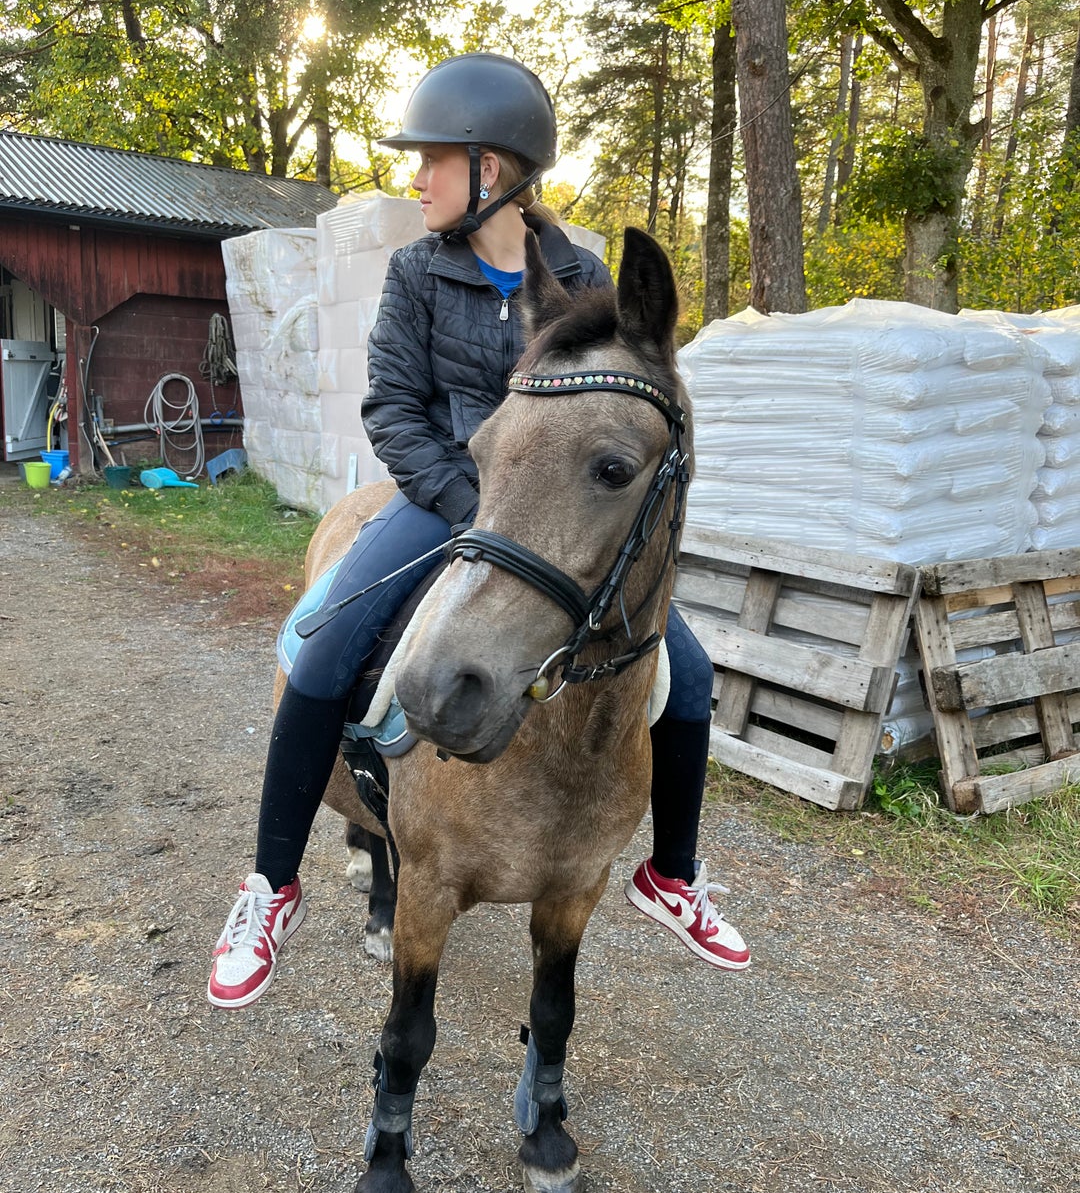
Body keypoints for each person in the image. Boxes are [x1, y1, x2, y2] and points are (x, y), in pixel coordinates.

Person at [207, 53, 749, 1010]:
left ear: (488, 169)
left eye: (430, 161)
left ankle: (674, 871)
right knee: (324, 642)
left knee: (690, 676)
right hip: (442, 497)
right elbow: (392, 410)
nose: (416, 179)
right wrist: (472, 505)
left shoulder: (579, 275)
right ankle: (270, 884)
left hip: (549, 521)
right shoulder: (416, 273)